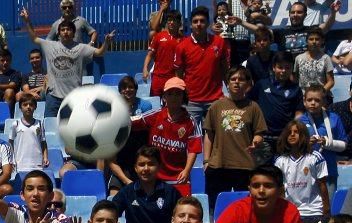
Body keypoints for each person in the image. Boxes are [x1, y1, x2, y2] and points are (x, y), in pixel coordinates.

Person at [20, 7, 115, 118]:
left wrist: (106, 42)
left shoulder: (81, 48)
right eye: (63, 30)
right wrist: (27, 21)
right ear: (59, 33)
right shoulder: (49, 46)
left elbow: (100, 53)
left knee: (74, 129)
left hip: (74, 97)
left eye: (68, 30)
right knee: (50, 126)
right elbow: (34, 38)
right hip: (53, 97)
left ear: (73, 33)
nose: (65, 32)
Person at [203, 66, 267, 210]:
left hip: (244, 165)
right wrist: (206, 161)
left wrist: (256, 141)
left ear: (247, 84)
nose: (237, 82)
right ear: (227, 83)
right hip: (218, 165)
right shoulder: (216, 106)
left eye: (241, 79)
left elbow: (259, 133)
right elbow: (209, 135)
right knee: (215, 208)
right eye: (233, 79)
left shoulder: (253, 107)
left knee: (246, 207)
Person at [129, 77, 201, 196]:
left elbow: (193, 149)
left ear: (184, 97)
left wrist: (187, 170)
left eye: (178, 94)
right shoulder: (155, 115)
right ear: (164, 96)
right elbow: (132, 122)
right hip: (154, 176)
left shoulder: (191, 121)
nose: (173, 97)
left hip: (178, 177)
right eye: (170, 94)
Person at [274, 120, 329, 223]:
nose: (292, 135)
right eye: (289, 133)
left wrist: (326, 209)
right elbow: (279, 189)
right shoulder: (281, 161)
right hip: (291, 213)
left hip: (313, 212)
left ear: (304, 135)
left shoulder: (315, 158)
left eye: (296, 132)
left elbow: (322, 185)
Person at [113, 146, 181, 223]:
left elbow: (181, 221)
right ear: (135, 168)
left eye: (151, 164)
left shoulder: (171, 192)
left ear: (159, 167)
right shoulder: (127, 192)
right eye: (141, 164)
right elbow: (110, 215)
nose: (146, 169)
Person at [173, 6, 230, 125]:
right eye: (195, 21)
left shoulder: (219, 42)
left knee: (219, 135)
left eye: (202, 21)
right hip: (192, 101)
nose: (199, 24)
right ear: (190, 24)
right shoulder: (181, 47)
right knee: (191, 137)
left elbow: (225, 70)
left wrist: (229, 92)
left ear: (208, 23)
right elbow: (178, 77)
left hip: (216, 99)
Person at [248, 51, 305, 166]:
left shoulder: (296, 89)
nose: (283, 71)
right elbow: (249, 104)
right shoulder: (261, 85)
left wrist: (292, 129)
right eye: (280, 67)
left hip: (285, 139)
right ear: (274, 68)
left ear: (291, 69)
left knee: (285, 172)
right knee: (263, 171)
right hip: (264, 138)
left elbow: (299, 112)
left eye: (287, 67)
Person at [231, 1, 339, 56]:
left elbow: (327, 26)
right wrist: (241, 22)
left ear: (305, 15)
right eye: (293, 12)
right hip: (287, 74)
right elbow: (260, 31)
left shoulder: (310, 30)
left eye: (299, 12)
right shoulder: (282, 32)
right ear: (289, 14)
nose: (295, 15)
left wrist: (333, 13)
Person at [297, 85, 348, 196]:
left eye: (317, 100)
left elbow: (343, 145)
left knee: (328, 209)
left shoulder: (334, 118)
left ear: (324, 101)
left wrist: (327, 142)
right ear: (304, 101)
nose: (313, 103)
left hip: (329, 171)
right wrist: (305, 144)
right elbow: (293, 147)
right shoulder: (299, 121)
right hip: (306, 173)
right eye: (309, 100)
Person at [143, 8, 183, 96]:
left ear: (179, 23)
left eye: (174, 20)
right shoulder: (158, 36)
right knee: (156, 106)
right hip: (158, 78)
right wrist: (145, 69)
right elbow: (149, 55)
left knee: (170, 107)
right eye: (169, 20)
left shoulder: (183, 40)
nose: (171, 22)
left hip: (174, 79)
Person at [8, 94, 48, 172]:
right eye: (25, 105)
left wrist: (45, 157)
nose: (28, 107)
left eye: (31, 105)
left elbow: (43, 142)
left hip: (37, 163)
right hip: (21, 163)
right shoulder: (16, 124)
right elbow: (10, 143)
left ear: (35, 107)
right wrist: (12, 159)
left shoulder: (39, 124)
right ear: (20, 107)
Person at [294, 28, 334, 97]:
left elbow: (331, 81)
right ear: (306, 41)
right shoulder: (299, 58)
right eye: (311, 39)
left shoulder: (326, 58)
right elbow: (295, 79)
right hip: (303, 97)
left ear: (322, 41)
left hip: (321, 97)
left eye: (317, 39)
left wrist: (320, 93)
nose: (314, 41)